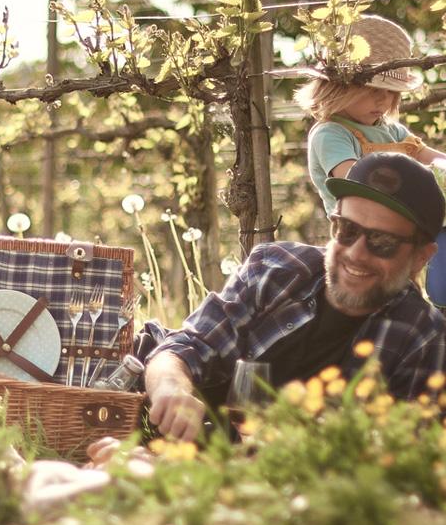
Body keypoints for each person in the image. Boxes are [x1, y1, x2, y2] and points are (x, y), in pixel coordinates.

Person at [145, 152, 446, 441]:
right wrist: (171, 389)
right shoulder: (275, 269)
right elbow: (189, 346)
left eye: (383, 241)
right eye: (347, 229)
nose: (356, 253)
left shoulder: (421, 337)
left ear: (421, 257)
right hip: (188, 462)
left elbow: (403, 460)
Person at [289, 13, 446, 302]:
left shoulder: (389, 130)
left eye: (390, 93)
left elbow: (429, 156)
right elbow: (359, 184)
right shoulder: (331, 134)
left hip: (404, 230)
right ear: (338, 87)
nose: (383, 101)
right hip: (363, 236)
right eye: (372, 90)